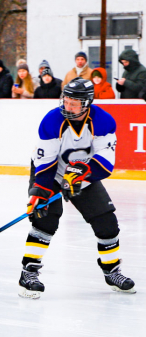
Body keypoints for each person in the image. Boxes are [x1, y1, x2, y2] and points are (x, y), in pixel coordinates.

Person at [19, 79, 135, 299]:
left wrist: (82, 175)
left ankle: (112, 271)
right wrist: (40, 191)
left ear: (87, 103)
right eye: (66, 100)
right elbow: (46, 162)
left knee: (106, 222)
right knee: (45, 220)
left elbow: (105, 160)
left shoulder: (103, 121)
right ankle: (28, 274)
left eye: (74, 103)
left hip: (83, 174)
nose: (68, 106)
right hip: (50, 173)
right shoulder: (52, 120)